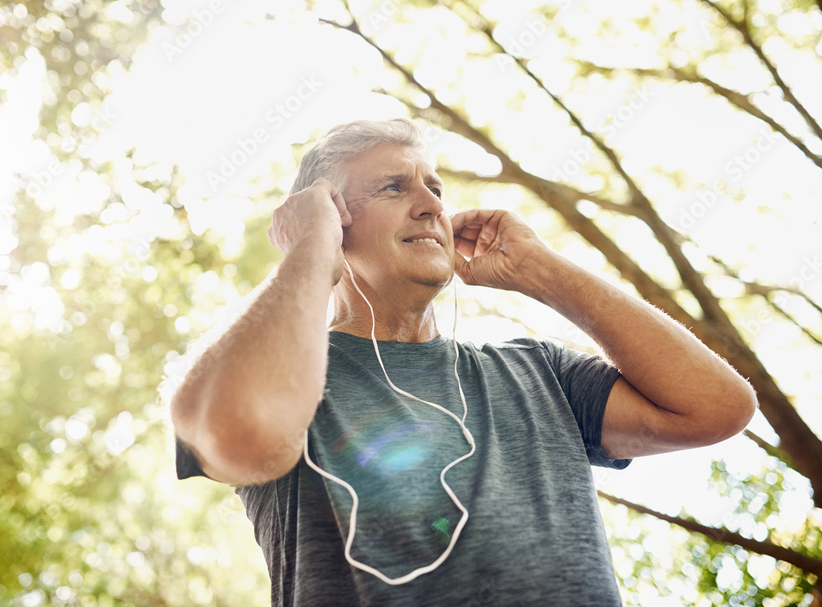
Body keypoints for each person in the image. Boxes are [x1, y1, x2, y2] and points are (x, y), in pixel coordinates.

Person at [169, 118, 758, 606]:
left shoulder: (539, 371)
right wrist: (310, 248)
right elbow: (233, 431)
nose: (431, 206)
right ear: (327, 215)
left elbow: (717, 408)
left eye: (435, 188)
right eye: (394, 188)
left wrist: (541, 271)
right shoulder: (288, 376)